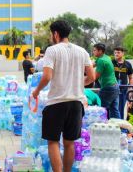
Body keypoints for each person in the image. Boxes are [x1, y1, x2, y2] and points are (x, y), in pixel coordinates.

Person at [32, 20, 95, 172]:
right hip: (76, 103)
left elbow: (47, 76)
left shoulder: (52, 51)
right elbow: (92, 77)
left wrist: (37, 91)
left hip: (56, 103)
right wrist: (78, 84)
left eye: (50, 34)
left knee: (53, 142)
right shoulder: (82, 51)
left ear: (56, 34)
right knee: (69, 143)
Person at [93, 43, 120, 119]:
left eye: (95, 50)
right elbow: (92, 65)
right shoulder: (106, 57)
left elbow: (95, 77)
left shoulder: (101, 60)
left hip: (108, 88)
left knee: (101, 109)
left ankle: (102, 127)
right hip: (115, 86)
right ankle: (121, 129)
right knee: (114, 110)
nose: (93, 52)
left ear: (100, 51)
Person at [112, 47, 133, 120]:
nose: (116, 54)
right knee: (113, 107)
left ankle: (120, 125)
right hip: (113, 89)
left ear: (123, 53)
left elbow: (131, 78)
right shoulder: (111, 63)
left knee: (121, 107)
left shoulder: (128, 64)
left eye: (118, 52)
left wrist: (130, 88)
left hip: (123, 89)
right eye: (115, 53)